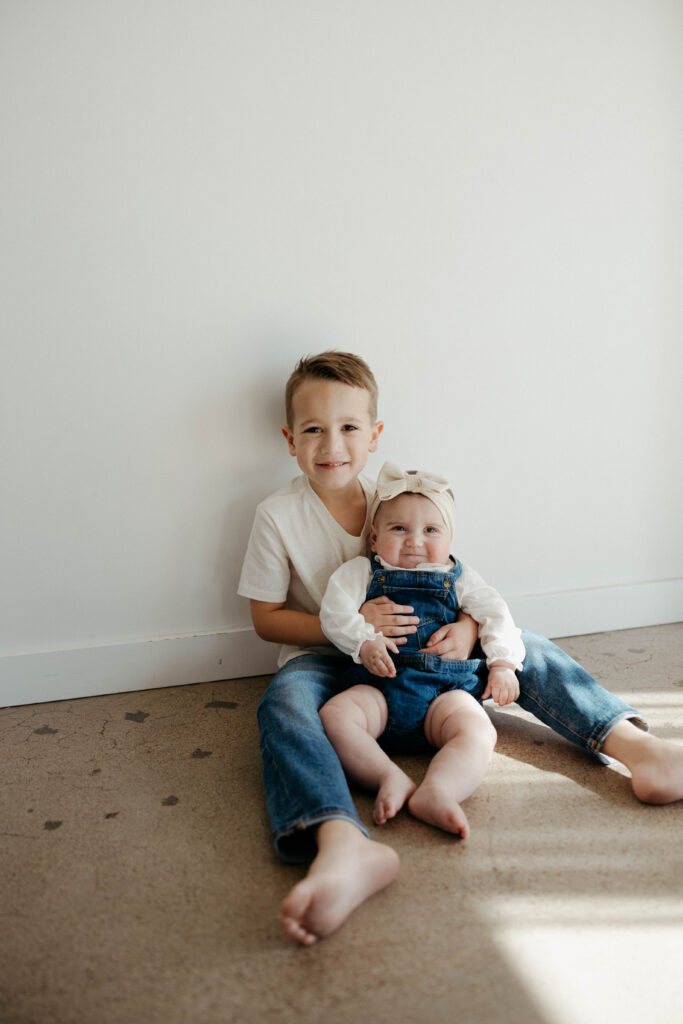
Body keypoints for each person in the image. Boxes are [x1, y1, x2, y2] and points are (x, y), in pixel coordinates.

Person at [238, 350, 683, 947]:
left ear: (374, 436)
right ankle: (340, 842)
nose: (332, 445)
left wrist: (472, 632)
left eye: (348, 428)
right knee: (284, 705)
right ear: (291, 440)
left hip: (429, 657)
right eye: (314, 430)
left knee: (527, 646)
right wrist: (352, 629)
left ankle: (636, 747)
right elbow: (266, 620)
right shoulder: (276, 515)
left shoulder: (396, 498)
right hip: (330, 661)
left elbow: (461, 578)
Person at [319, 462, 523, 839]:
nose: (414, 541)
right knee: (335, 715)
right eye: (399, 529)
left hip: (442, 696)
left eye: (430, 530)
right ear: (375, 539)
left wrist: (504, 663)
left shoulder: (459, 578)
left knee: (478, 730)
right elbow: (333, 611)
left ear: (449, 539)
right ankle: (387, 777)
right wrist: (362, 641)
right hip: (379, 688)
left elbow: (497, 613)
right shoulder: (361, 571)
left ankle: (439, 790)